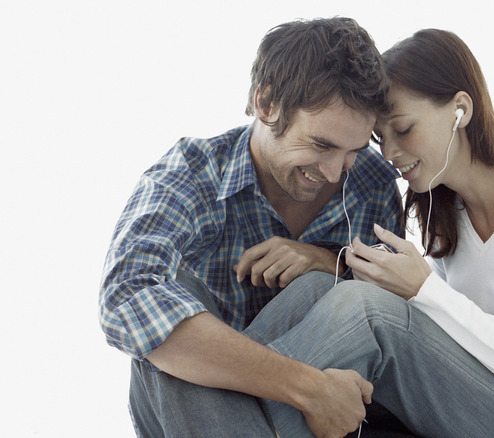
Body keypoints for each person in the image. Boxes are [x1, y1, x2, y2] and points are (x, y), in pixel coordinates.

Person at [256, 29, 494, 437]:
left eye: (404, 129)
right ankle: (212, 388)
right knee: (316, 291)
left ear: (460, 109)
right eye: (382, 139)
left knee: (367, 311)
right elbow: (445, 346)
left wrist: (425, 290)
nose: (391, 154)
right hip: (485, 407)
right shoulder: (448, 212)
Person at [98, 17, 403, 437]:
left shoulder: (374, 186)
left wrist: (332, 262)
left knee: (324, 289)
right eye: (321, 144)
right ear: (266, 103)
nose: (335, 173)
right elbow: (126, 297)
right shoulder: (193, 173)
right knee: (171, 308)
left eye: (353, 150)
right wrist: (310, 389)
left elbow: (395, 321)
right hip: (196, 417)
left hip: (324, 425)